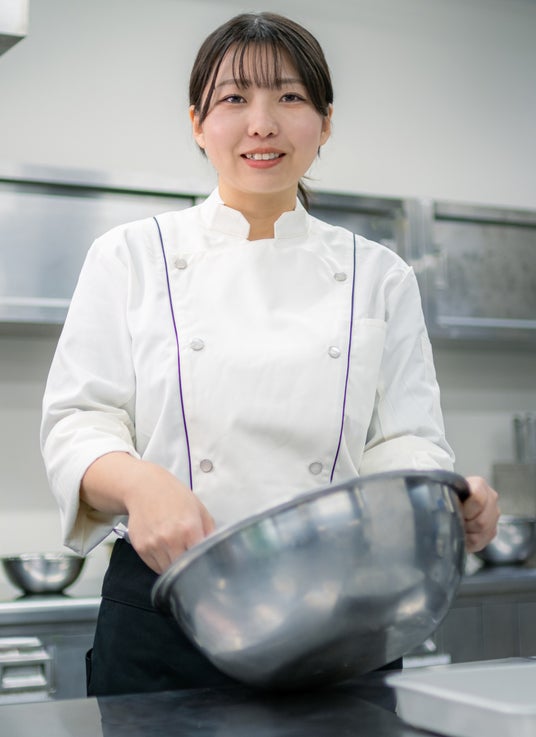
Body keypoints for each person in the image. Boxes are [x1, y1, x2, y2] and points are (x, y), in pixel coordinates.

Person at [40, 11, 499, 697]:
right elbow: (78, 422)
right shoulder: (131, 256)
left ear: (326, 122)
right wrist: (140, 485)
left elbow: (403, 442)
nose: (262, 124)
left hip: (343, 610)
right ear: (197, 123)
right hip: (168, 607)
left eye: (289, 97)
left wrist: (447, 495)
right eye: (234, 99)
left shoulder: (379, 275)